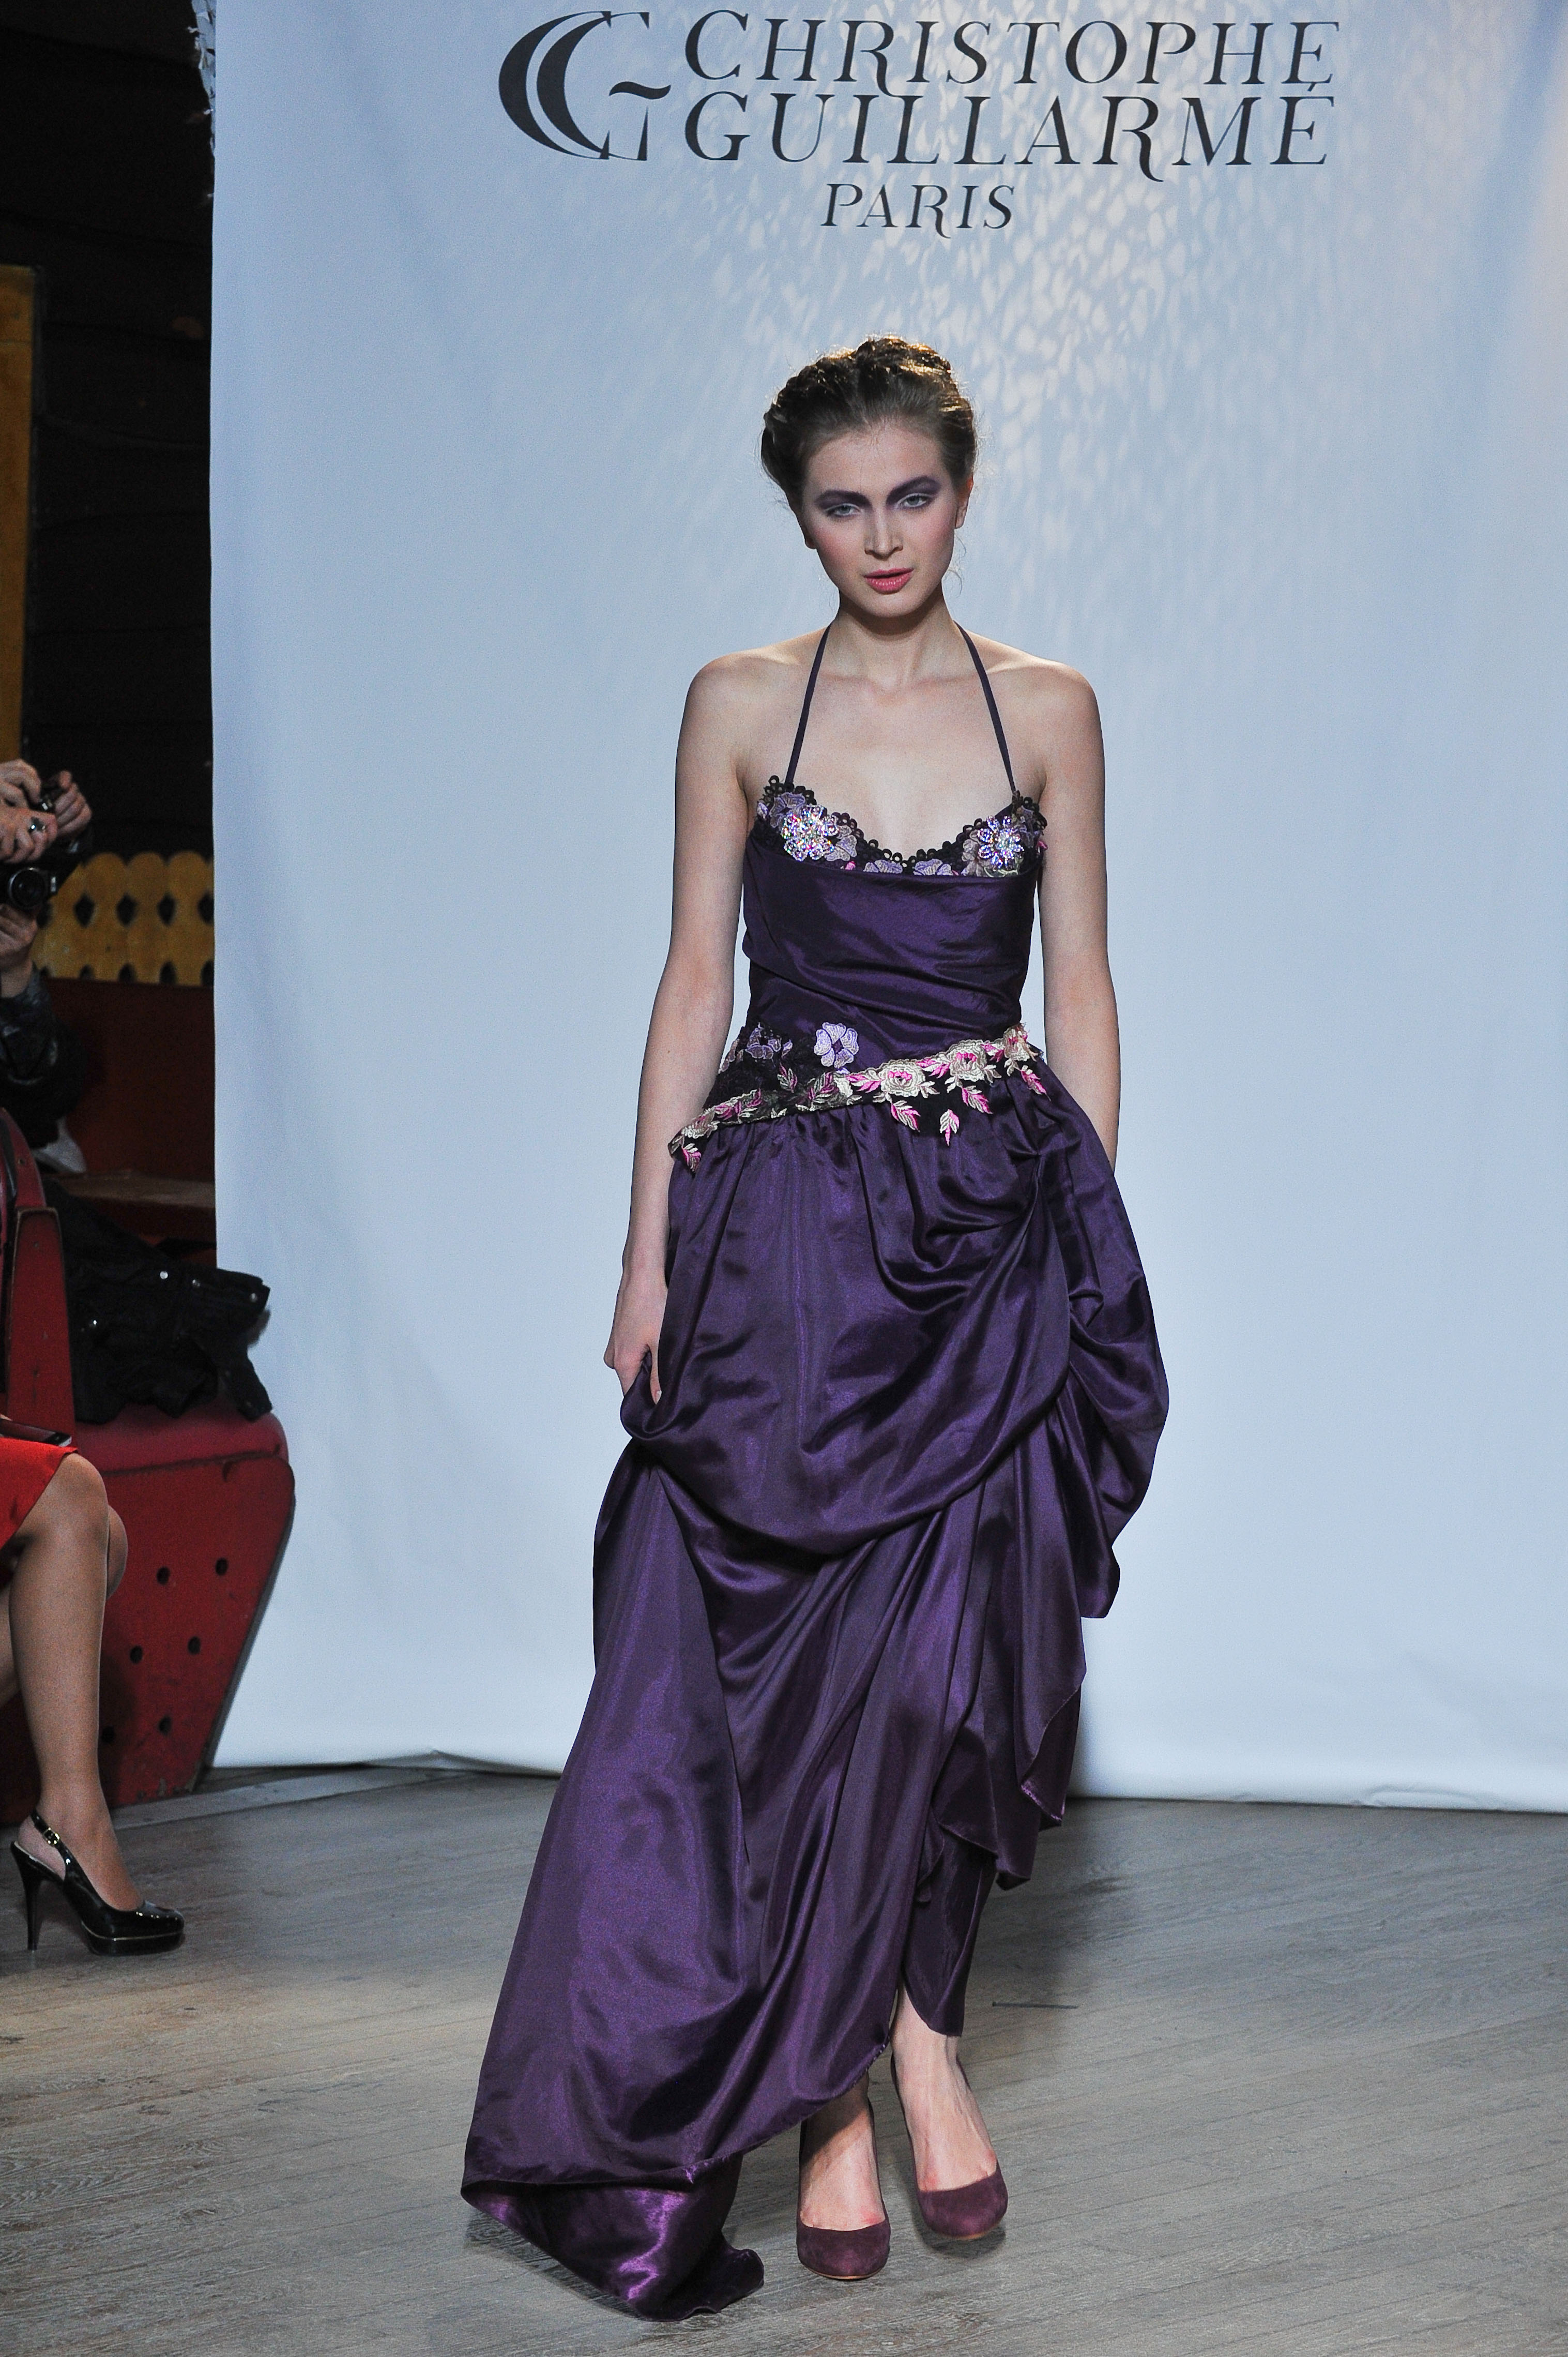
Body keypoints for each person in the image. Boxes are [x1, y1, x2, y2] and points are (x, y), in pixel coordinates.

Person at [463, 338, 1167, 2317]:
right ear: (798, 513)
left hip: (986, 1233)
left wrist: (1078, 1233)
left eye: (910, 495)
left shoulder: (1048, 707)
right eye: (842, 504)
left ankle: (917, 2034)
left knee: (953, 1672)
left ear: (964, 490)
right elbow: (692, 978)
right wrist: (642, 1257)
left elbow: (1083, 984)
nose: (881, 535)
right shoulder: (737, 701)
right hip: (779, 1246)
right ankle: (831, 2095)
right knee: (775, 1691)